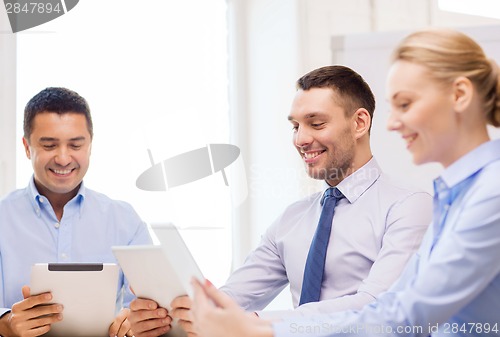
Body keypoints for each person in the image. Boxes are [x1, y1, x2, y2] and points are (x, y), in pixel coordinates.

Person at [190, 27, 500, 337]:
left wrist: (263, 328)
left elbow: (405, 316)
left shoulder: (486, 193)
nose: (392, 123)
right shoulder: (453, 196)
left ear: (459, 95)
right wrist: (193, 311)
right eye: (296, 126)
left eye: (405, 105)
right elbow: (393, 306)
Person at [129, 66, 433, 337]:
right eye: (295, 126)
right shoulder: (293, 218)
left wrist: (256, 325)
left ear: (359, 123)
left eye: (316, 123)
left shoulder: (409, 206)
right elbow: (235, 295)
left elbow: (376, 306)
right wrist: (171, 316)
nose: (300, 139)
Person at [0, 87, 159, 337]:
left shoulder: (125, 221)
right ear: (27, 147)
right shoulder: (2, 218)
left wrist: (136, 322)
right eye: (49, 145)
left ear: (90, 147)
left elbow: (147, 307)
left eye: (75, 145)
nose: (63, 158)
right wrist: (5, 324)